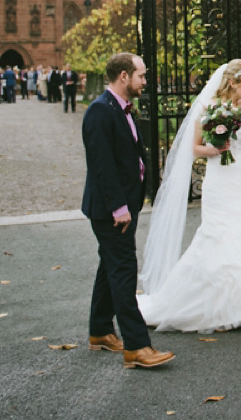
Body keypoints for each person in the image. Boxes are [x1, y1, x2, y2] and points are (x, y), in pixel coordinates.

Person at [138, 58, 241, 335]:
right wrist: (215, 149)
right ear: (232, 83)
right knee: (219, 242)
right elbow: (195, 148)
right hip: (220, 185)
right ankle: (218, 306)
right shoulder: (209, 107)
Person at [81, 52, 174, 370]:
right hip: (111, 211)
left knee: (110, 266)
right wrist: (119, 207)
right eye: (141, 76)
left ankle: (100, 331)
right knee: (123, 270)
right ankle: (137, 347)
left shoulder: (120, 109)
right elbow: (101, 165)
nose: (145, 82)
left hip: (124, 206)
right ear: (123, 75)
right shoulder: (99, 112)